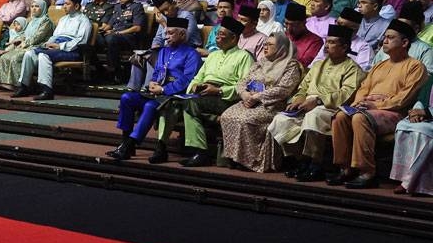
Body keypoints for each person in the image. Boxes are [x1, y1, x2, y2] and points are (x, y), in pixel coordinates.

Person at [328, 20, 429, 188]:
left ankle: (367, 172)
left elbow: (404, 99)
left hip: (395, 112)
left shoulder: (416, 66)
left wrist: (376, 106)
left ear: (404, 43)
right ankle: (345, 168)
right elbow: (364, 88)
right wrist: (359, 102)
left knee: (360, 118)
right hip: (368, 108)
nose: (385, 41)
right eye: (384, 37)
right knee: (340, 116)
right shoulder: (380, 65)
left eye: (390, 37)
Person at [268, 24, 365, 182]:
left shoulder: (353, 69)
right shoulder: (318, 65)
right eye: (327, 41)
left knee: (314, 116)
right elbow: (303, 86)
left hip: (331, 108)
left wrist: (318, 100)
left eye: (332, 42)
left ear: (345, 47)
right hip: (307, 104)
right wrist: (298, 99)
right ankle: (300, 160)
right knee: (281, 119)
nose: (327, 45)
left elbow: (346, 94)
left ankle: (315, 164)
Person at [154, 17, 254, 166]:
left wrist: (219, 90)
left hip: (225, 99)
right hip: (201, 95)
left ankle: (200, 152)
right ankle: (161, 148)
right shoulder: (213, 55)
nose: (217, 37)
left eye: (221, 35)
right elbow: (196, 78)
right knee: (171, 103)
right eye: (217, 34)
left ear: (234, 38)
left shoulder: (244, 57)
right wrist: (194, 87)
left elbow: (244, 87)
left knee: (190, 104)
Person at [107, 16, 201, 161]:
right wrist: (152, 82)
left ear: (182, 34)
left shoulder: (192, 54)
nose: (166, 36)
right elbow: (157, 71)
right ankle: (126, 142)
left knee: (151, 105)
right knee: (127, 98)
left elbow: (188, 80)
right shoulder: (164, 51)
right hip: (156, 93)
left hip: (175, 97)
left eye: (171, 33)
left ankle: (129, 145)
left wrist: (163, 90)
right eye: (166, 33)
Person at [219, 32, 304, 172]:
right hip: (249, 101)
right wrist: (245, 94)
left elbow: (283, 89)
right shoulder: (261, 63)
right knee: (227, 116)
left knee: (246, 120)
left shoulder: (290, 65)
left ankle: (251, 160)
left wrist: (257, 97)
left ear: (282, 48)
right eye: (265, 44)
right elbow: (242, 82)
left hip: (272, 105)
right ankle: (235, 158)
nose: (265, 47)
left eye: (270, 45)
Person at [11, 0, 91, 101]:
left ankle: (47, 90)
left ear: (77, 6)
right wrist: (49, 43)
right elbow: (55, 36)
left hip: (71, 50)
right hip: (55, 46)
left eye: (67, 4)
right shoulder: (63, 19)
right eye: (64, 3)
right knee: (29, 54)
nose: (64, 6)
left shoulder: (84, 21)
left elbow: (81, 41)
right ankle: (24, 86)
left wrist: (60, 46)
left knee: (44, 56)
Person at [0, 0, 54, 89]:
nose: (33, 9)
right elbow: (25, 36)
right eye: (32, 6)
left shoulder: (46, 21)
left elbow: (38, 37)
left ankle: (21, 85)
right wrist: (16, 42)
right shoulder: (32, 21)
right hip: (26, 45)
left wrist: (24, 43)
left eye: (37, 6)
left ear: (43, 8)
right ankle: (8, 84)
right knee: (4, 57)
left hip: (37, 46)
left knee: (15, 57)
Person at [389, 74, 433, 195]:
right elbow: (421, 100)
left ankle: (412, 182)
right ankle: (404, 176)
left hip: (429, 117)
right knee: (403, 126)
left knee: (422, 131)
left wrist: (426, 113)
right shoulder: (431, 78)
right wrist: (415, 112)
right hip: (426, 116)